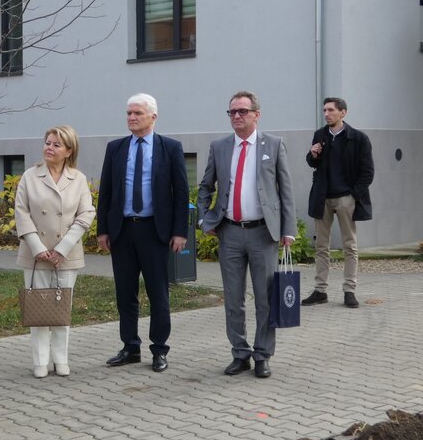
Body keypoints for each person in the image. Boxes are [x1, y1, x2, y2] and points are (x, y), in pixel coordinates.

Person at [197, 91, 296, 379]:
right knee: (233, 298)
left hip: (263, 233)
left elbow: (285, 190)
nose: (237, 116)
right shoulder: (219, 147)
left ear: (256, 114)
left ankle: (262, 354)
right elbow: (206, 186)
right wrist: (204, 218)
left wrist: (288, 230)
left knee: (265, 298)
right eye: (232, 112)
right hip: (229, 233)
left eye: (242, 111)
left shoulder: (273, 144)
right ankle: (240, 353)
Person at [97, 93, 189, 373]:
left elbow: (181, 192)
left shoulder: (169, 148)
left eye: (137, 113)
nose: (132, 117)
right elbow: (106, 191)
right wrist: (103, 229)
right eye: (129, 113)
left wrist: (179, 231)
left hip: (154, 231)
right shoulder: (116, 148)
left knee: (158, 293)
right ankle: (130, 347)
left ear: (153, 117)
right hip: (123, 230)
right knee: (125, 293)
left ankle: (159, 349)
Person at [14, 125, 96, 378]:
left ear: (69, 151)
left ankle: (61, 359)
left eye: (56, 144)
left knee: (61, 310)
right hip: (35, 254)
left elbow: (86, 213)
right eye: (47, 143)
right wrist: (38, 248)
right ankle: (40, 361)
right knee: (39, 309)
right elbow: (21, 212)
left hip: (66, 254)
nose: (49, 148)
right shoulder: (30, 176)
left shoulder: (78, 179)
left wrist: (62, 248)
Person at [301, 97, 374, 309]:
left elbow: (367, 172)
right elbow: (312, 162)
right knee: (321, 246)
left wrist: (353, 195)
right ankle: (320, 290)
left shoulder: (358, 138)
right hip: (322, 197)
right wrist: (313, 154)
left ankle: (349, 290)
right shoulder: (320, 135)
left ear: (343, 112)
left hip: (345, 198)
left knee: (349, 245)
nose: (326, 114)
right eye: (324, 110)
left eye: (331, 110)